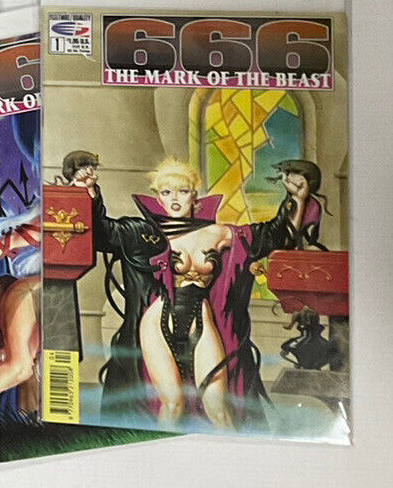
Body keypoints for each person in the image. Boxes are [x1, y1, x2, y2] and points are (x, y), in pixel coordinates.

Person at [71, 154, 321, 429]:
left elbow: (274, 236)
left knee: (218, 407)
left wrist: (297, 199)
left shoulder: (219, 234)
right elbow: (102, 232)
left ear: (195, 197)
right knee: (172, 404)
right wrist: (89, 191)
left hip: (201, 319)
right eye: (166, 192)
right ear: (158, 198)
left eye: (182, 191)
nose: (175, 199)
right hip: (157, 322)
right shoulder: (142, 233)